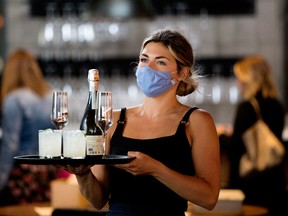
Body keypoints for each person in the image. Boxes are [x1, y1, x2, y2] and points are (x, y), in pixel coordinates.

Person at [65, 29, 221, 216]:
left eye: (160, 62)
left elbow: (209, 198)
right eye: (144, 59)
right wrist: (82, 175)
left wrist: (156, 169)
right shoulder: (112, 120)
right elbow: (98, 200)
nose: (148, 68)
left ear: (182, 73)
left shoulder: (197, 121)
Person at [218, 55, 287, 216]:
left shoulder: (247, 107)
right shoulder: (277, 105)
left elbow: (236, 148)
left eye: (240, 79)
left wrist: (221, 135)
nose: (238, 84)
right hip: (274, 180)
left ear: (250, 80)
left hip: (250, 181)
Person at [0, 49, 62, 205]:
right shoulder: (51, 95)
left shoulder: (14, 99)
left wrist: (1, 179)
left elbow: (10, 144)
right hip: (47, 172)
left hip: (23, 174)